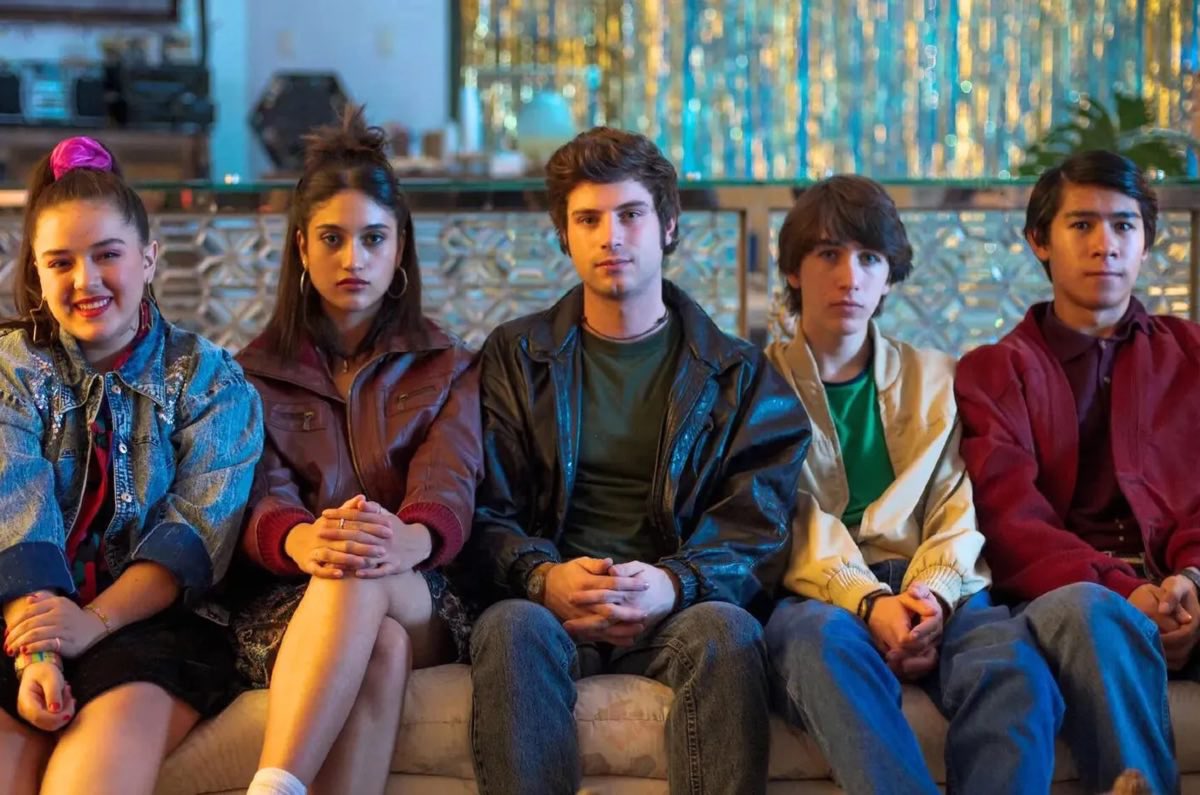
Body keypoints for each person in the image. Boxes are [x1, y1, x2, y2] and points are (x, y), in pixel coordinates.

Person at [463, 126, 810, 795]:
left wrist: (673, 583)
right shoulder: (515, 356)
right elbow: (482, 506)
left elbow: (758, 526)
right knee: (508, 625)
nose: (610, 237)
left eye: (630, 215)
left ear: (668, 225)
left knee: (727, 629)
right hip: (550, 604)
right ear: (565, 235)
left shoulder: (737, 373)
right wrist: (540, 576)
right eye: (588, 220)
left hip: (676, 608)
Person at [763, 175, 1074, 793]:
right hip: (819, 595)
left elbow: (957, 503)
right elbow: (784, 517)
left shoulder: (937, 377)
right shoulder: (756, 383)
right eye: (828, 254)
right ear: (794, 271)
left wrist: (932, 597)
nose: (850, 278)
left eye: (869, 259)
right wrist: (869, 602)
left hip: (936, 582)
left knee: (1014, 672)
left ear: (888, 276)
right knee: (817, 644)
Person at [0, 135, 263, 794]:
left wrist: (93, 623)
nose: (85, 281)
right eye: (61, 262)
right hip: (22, 616)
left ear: (148, 258)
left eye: (107, 255)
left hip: (150, 625)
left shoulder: (210, 380)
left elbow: (195, 533)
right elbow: (15, 508)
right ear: (37, 273)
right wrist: (39, 654)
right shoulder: (11, 370)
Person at [230, 107, 481, 795]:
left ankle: (272, 786)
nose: (353, 260)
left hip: (417, 583)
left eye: (373, 238)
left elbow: (450, 476)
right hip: (295, 590)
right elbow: (260, 491)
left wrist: (408, 537)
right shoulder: (252, 373)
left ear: (400, 246)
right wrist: (302, 539)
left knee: (361, 572)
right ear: (302, 247)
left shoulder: (449, 364)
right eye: (332, 239)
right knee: (379, 644)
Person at [955, 149, 1190, 792]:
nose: (1105, 244)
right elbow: (1010, 521)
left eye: (1124, 225)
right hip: (1070, 594)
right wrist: (1127, 592)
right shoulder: (993, 372)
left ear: (1146, 242)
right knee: (1094, 611)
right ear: (1040, 241)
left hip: (1179, 581)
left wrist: (1191, 580)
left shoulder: (1191, 356)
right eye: (1082, 224)